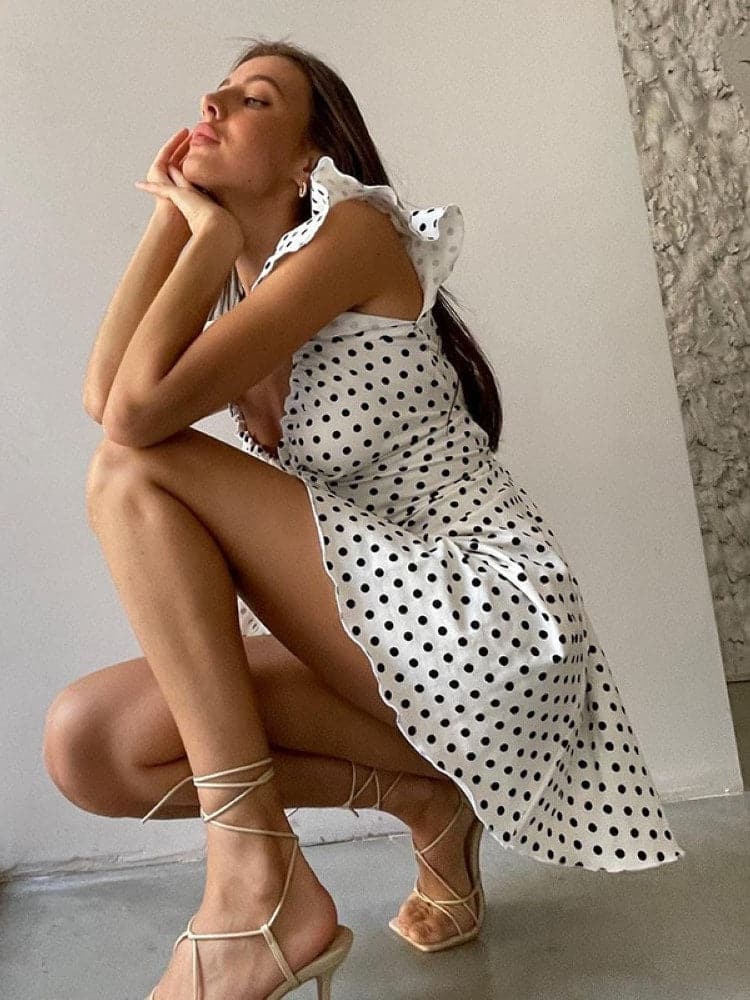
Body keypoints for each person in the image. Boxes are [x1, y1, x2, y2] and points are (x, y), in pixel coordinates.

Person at [44, 38, 686, 1000]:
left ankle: (254, 888)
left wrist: (206, 236)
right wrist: (183, 227)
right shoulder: (239, 285)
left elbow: (131, 427)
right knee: (91, 747)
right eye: (216, 93)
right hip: (374, 629)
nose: (214, 104)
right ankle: (425, 800)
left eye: (254, 99)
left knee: (131, 473)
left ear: (310, 157)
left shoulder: (354, 234)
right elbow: (108, 397)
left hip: (483, 620)